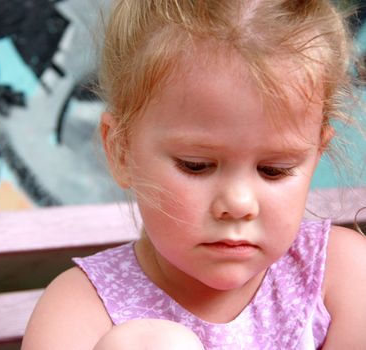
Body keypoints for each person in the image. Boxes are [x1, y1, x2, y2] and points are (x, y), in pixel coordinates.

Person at [22, 0, 366, 348]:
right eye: (196, 165)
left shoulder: (341, 275)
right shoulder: (82, 310)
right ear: (121, 150)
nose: (238, 203)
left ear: (317, 153)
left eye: (273, 170)